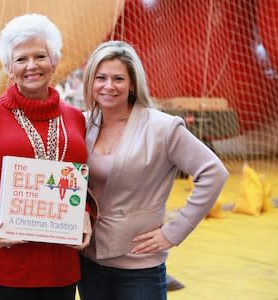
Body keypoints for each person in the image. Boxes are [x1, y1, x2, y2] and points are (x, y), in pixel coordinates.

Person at [77, 40, 229, 300]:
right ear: (90, 81)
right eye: (100, 77)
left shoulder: (162, 128)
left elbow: (213, 172)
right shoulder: (82, 124)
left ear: (133, 84)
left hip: (139, 266)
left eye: (118, 78)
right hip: (89, 261)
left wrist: (175, 231)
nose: (108, 86)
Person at [0, 14, 91, 300]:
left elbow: (83, 183)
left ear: (55, 61)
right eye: (21, 59)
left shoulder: (75, 119)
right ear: (8, 68)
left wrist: (86, 213)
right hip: (4, 261)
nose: (32, 66)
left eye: (40, 56)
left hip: (60, 263)